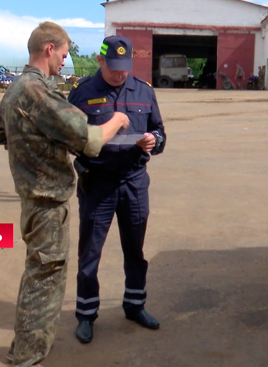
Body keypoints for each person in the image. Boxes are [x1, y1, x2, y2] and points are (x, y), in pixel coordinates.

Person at [0, 22, 129, 367]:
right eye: (64, 54)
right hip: (47, 200)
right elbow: (91, 141)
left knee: (38, 272)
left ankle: (27, 347)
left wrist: (32, 148)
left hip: (32, 197)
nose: (65, 62)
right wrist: (118, 120)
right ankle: (28, 355)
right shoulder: (37, 92)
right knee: (44, 280)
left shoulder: (17, 87)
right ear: (49, 49)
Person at [67, 35, 166, 344]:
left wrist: (153, 140)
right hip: (98, 184)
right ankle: (86, 314)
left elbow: (160, 132)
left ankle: (135, 306)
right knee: (90, 253)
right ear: (100, 61)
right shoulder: (82, 94)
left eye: (125, 68)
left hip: (135, 182)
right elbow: (70, 138)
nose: (120, 74)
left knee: (135, 251)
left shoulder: (144, 91)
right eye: (113, 68)